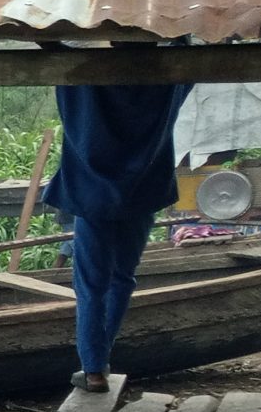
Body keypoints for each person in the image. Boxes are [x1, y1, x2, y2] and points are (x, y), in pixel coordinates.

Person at [40, 81, 191, 392]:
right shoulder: (164, 86)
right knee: (122, 277)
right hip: (143, 194)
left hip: (93, 196)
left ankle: (94, 369)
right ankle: (99, 362)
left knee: (91, 286)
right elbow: (186, 69)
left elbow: (61, 66)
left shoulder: (85, 86)